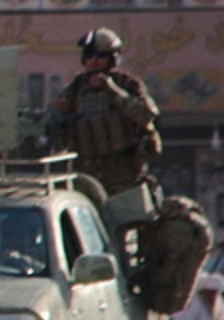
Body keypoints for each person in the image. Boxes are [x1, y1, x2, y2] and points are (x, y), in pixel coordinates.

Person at [45, 28, 160, 196]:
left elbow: (147, 114)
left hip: (123, 172)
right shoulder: (76, 88)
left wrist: (112, 90)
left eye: (100, 57)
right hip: (86, 171)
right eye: (89, 57)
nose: (94, 62)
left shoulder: (127, 84)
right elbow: (55, 114)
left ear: (112, 59)